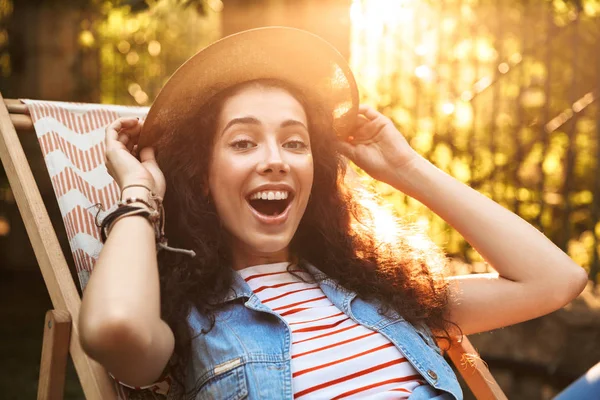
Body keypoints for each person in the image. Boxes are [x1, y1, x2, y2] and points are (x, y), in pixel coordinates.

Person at [78, 27, 588, 399]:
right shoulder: (191, 322)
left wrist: (406, 168)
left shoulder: (383, 293)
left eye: (294, 142)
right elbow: (112, 327)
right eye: (243, 142)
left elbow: (555, 280)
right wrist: (140, 192)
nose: (275, 160)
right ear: (201, 179)